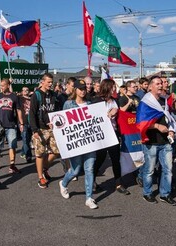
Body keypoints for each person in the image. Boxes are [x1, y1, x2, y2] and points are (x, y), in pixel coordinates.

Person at [137, 75, 176, 205]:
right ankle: (147, 193)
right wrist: (157, 126)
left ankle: (165, 194)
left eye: (161, 83)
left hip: (165, 142)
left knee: (168, 169)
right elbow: (140, 123)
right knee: (149, 170)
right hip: (151, 142)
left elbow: (169, 118)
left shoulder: (164, 101)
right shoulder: (145, 102)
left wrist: (171, 129)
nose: (161, 85)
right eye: (157, 83)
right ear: (150, 87)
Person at [59, 79, 98, 209]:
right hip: (76, 143)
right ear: (75, 90)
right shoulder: (68, 104)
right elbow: (63, 122)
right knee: (75, 170)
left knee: (89, 169)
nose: (82, 91)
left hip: (90, 142)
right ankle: (64, 183)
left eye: (84, 88)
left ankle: (89, 198)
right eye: (80, 88)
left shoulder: (90, 104)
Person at [92, 79, 130, 195]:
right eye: (113, 87)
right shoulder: (96, 101)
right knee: (100, 158)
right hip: (101, 135)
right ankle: (91, 180)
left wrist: (117, 111)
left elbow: (120, 116)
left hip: (113, 134)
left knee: (115, 159)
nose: (115, 89)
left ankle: (118, 183)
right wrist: (107, 115)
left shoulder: (115, 101)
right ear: (107, 87)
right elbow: (93, 118)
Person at [29, 73, 61, 189]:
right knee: (40, 153)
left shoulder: (53, 95)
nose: (50, 84)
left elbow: (57, 110)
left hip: (52, 128)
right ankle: (40, 177)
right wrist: (34, 130)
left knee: (56, 151)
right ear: (42, 82)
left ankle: (44, 169)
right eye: (48, 82)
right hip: (40, 129)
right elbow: (31, 113)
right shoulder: (36, 95)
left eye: (51, 82)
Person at [0, 79, 24, 174]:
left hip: (11, 125)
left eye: (3, 85)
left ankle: (12, 165)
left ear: (8, 85)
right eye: (0, 85)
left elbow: (18, 110)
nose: (1, 87)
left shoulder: (14, 96)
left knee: (13, 145)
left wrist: (21, 123)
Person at [19, 86, 33, 163]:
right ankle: (29, 156)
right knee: (25, 139)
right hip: (23, 122)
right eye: (24, 90)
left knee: (28, 139)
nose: (25, 91)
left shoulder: (32, 99)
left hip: (30, 121)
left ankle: (23, 152)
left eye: (27, 90)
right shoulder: (19, 99)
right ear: (21, 91)